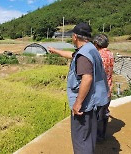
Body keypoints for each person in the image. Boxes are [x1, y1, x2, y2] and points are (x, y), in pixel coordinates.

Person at [48, 23, 109, 154]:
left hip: (85, 106)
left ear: (75, 36)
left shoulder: (83, 56)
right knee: (88, 137)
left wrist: (78, 103)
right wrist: (55, 51)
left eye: (72, 36)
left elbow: (87, 78)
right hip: (96, 101)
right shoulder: (91, 49)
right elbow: (72, 55)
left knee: (81, 139)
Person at [93, 34, 114, 141]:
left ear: (96, 44)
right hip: (109, 88)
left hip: (100, 89)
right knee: (104, 112)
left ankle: (98, 137)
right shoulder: (110, 54)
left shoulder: (98, 56)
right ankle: (102, 134)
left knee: (98, 115)